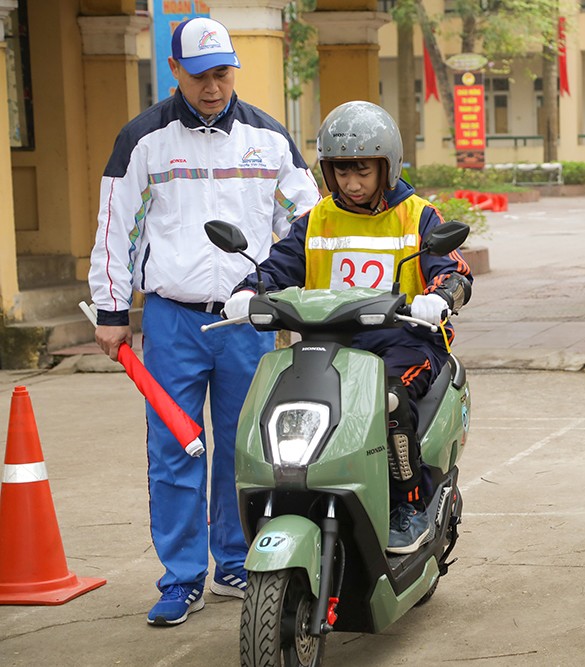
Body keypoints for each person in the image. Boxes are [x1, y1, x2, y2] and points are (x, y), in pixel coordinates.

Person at [88, 17, 321, 626]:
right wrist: (112, 310)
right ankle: (181, 577)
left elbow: (310, 224)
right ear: (175, 72)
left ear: (234, 69)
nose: (213, 88)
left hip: (249, 321)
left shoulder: (270, 139)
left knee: (248, 450)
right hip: (172, 320)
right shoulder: (144, 141)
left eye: (222, 74)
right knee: (174, 449)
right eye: (199, 77)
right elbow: (116, 229)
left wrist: (313, 297)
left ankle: (237, 563)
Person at [223, 100, 473, 555]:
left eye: (362, 171)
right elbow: (278, 265)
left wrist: (440, 297)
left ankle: (408, 504)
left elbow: (455, 271)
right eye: (340, 172)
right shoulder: (317, 218)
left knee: (390, 398)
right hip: (329, 345)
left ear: (387, 166)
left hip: (405, 344)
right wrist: (247, 289)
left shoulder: (418, 216)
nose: (351, 183)